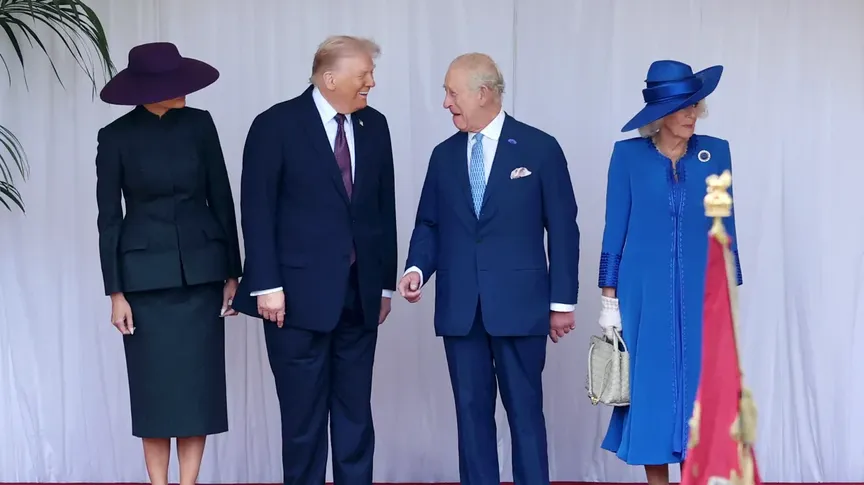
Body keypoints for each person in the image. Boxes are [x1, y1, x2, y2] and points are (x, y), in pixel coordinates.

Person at [398, 53, 580, 485]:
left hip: (521, 307)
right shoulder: (443, 156)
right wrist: (417, 268)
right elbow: (429, 223)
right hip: (461, 310)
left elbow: (563, 228)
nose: (445, 103)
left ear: (482, 93)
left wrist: (562, 303)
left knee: (525, 414)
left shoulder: (539, 148)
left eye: (451, 93)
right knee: (471, 417)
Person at [231, 35, 397, 485]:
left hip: (360, 296)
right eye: (364, 75)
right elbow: (257, 210)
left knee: (355, 417)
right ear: (330, 79)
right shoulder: (275, 125)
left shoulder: (375, 125)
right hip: (293, 301)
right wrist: (266, 285)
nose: (371, 83)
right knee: (303, 423)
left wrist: (384, 285)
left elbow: (383, 208)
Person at [95, 42, 242, 485]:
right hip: (144, 284)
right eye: (171, 83)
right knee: (155, 395)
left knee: (198, 392)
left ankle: (188, 483)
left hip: (202, 275)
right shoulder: (115, 136)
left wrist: (232, 271)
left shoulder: (201, 125)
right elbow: (109, 219)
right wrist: (115, 292)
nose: (183, 89)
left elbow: (221, 197)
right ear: (144, 89)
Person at [597, 60, 743, 485]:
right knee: (653, 392)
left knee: (703, 393)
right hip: (643, 295)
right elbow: (614, 230)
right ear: (659, 115)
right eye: (682, 107)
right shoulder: (627, 156)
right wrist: (609, 301)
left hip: (703, 293)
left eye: (695, 105)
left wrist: (730, 292)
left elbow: (726, 226)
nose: (691, 114)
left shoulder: (715, 152)